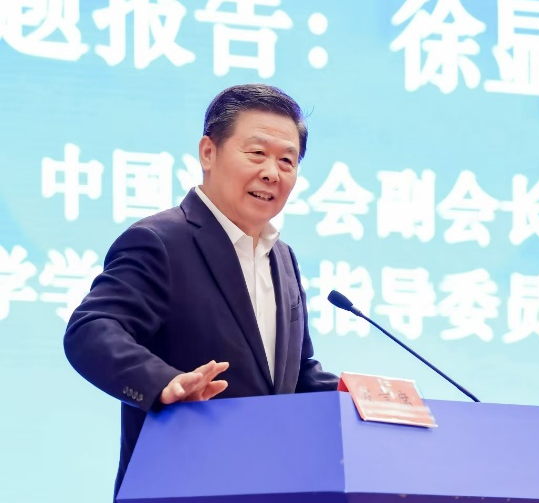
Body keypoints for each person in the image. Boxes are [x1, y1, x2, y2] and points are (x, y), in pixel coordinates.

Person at [63, 83, 338, 500]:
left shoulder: (282, 258)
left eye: (287, 160)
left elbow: (293, 375)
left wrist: (356, 399)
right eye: (257, 153)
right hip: (180, 487)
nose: (272, 172)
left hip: (267, 487)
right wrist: (165, 383)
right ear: (208, 152)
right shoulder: (160, 240)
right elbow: (91, 330)